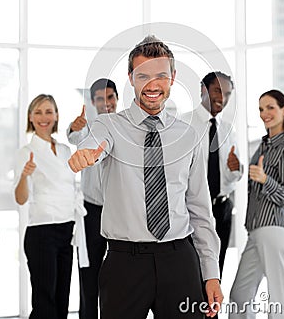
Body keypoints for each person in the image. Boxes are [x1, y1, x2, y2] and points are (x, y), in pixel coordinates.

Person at [68, 35, 224, 319]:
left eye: (161, 75)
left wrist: (211, 273)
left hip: (179, 260)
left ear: (173, 77)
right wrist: (85, 153)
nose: (152, 85)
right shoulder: (109, 125)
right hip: (124, 264)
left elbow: (200, 209)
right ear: (131, 78)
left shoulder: (189, 135)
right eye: (143, 76)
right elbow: (93, 143)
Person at [229, 89, 284, 319]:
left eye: (270, 107)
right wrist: (238, 169)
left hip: (274, 229)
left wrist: (265, 179)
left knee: (279, 299)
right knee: (240, 296)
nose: (264, 113)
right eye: (261, 109)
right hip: (256, 230)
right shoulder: (264, 146)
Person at [14, 94, 87, 319]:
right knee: (45, 304)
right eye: (38, 112)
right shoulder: (26, 153)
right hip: (41, 233)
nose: (43, 117)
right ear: (30, 117)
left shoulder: (65, 150)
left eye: (48, 111)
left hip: (66, 231)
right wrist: (25, 177)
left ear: (56, 116)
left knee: (62, 300)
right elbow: (20, 198)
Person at [182, 71, 243, 279]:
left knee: (217, 273)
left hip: (222, 208)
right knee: (192, 274)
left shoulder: (227, 130)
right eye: (217, 90)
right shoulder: (184, 125)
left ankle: (212, 313)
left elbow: (229, 177)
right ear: (203, 89)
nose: (222, 98)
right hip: (191, 210)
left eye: (227, 94)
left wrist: (235, 170)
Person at [67, 78, 118, 319]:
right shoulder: (88, 128)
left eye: (110, 98)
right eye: (100, 99)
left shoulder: (124, 127)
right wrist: (76, 127)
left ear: (117, 99)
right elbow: (74, 137)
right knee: (88, 276)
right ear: (93, 102)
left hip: (118, 213)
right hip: (91, 213)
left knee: (118, 277)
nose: (106, 103)